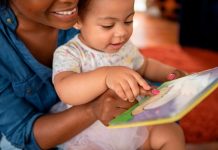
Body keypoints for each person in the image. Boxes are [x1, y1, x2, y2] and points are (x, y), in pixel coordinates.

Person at [0, 0, 139, 149]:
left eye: (129, 21)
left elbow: (137, 64)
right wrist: (93, 108)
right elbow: (23, 134)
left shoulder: (91, 9)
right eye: (107, 26)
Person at [52, 0, 187, 149]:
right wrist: (105, 76)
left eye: (128, 21)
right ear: (77, 20)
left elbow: (146, 66)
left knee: (171, 132)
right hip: (90, 132)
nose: (122, 32)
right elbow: (65, 89)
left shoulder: (125, 48)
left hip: (134, 122)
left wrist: (170, 73)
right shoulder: (70, 53)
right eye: (108, 25)